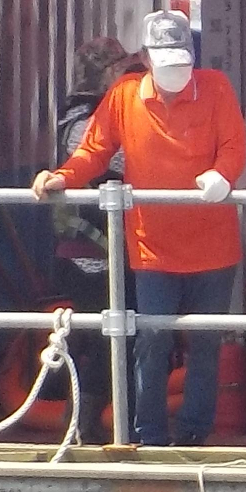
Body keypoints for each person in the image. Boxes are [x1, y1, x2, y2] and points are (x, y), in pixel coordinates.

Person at [32, 10, 246, 446]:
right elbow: (93, 150)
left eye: (182, 62)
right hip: (151, 247)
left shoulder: (216, 88)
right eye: (166, 62)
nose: (176, 73)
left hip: (214, 246)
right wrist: (63, 177)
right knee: (150, 339)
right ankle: (147, 435)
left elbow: (234, 145)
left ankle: (194, 435)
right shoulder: (124, 95)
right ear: (146, 59)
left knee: (205, 343)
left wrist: (222, 175)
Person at [52, 37, 143, 443]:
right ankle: (81, 429)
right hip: (90, 257)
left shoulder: (87, 113)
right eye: (120, 67)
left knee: (115, 340)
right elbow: (119, 164)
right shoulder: (83, 122)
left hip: (107, 252)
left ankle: (95, 427)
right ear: (106, 73)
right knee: (106, 344)